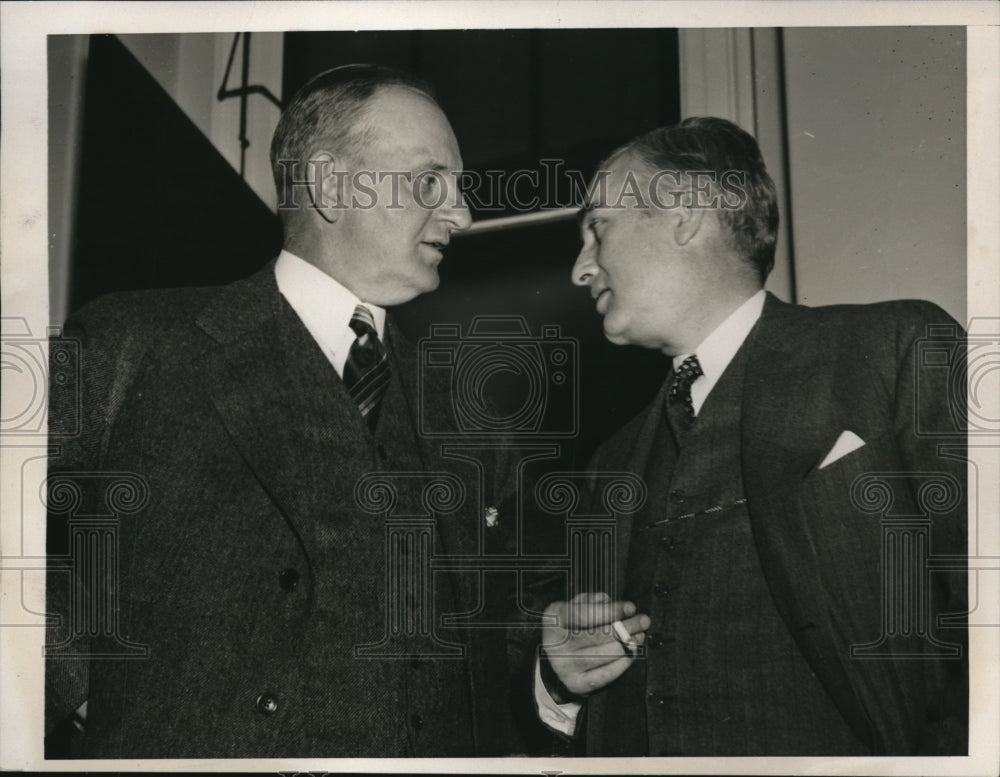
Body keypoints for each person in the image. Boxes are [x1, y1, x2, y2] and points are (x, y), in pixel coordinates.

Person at [45, 64, 520, 758]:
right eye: (430, 181)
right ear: (329, 184)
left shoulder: (472, 418)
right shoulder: (129, 342)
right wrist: (76, 680)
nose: (462, 214)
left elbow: (503, 636)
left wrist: (552, 672)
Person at [534, 117, 968, 756]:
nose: (580, 269)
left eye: (599, 228)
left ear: (684, 214)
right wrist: (559, 682)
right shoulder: (610, 462)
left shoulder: (894, 351)